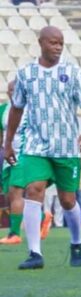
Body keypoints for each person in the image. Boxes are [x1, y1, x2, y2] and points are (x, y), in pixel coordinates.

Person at [3, 26, 81, 270]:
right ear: (41, 43)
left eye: (61, 43)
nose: (57, 47)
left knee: (67, 201)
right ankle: (35, 253)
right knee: (33, 189)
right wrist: (8, 143)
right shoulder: (26, 73)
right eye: (53, 42)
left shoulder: (72, 72)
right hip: (36, 146)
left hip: (66, 147)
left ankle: (76, 242)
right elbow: (16, 109)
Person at [0, 80, 27, 244]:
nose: (11, 92)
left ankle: (14, 233)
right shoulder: (3, 109)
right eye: (9, 89)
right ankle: (41, 217)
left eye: (14, 89)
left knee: (15, 191)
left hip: (23, 154)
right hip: (6, 156)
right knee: (9, 195)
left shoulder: (29, 109)